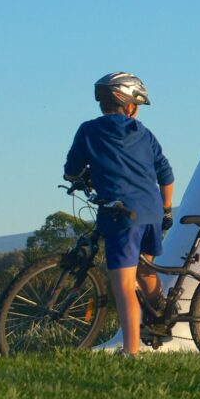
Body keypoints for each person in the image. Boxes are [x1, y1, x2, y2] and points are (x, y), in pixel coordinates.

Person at [63, 72, 174, 358]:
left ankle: (131, 352)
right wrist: (166, 210)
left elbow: (71, 169)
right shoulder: (145, 134)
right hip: (150, 210)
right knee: (145, 271)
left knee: (123, 285)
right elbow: (166, 174)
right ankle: (158, 312)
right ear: (130, 106)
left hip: (120, 214)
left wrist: (79, 175)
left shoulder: (89, 130)